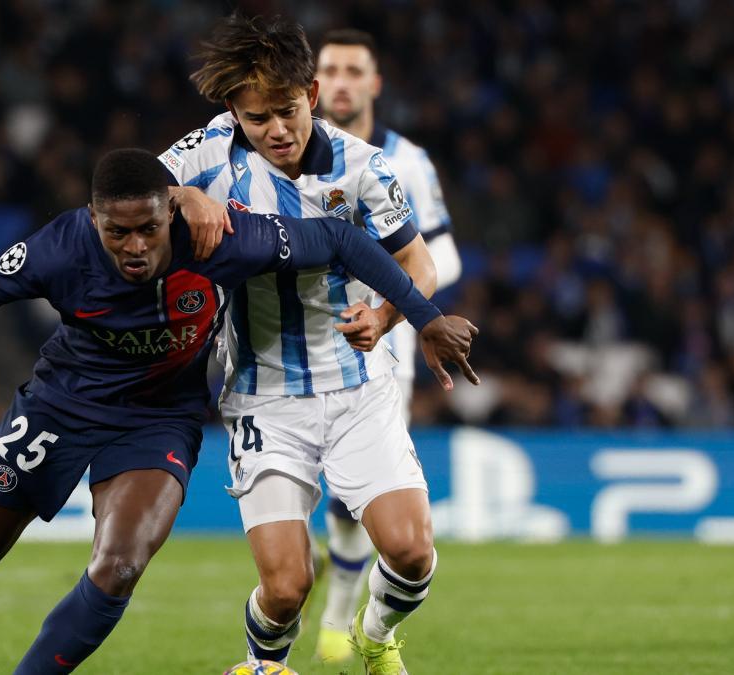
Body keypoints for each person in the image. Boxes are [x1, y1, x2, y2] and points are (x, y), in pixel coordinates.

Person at [0, 149, 478, 675]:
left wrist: (421, 317)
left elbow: (338, 239)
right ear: (93, 220)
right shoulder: (57, 249)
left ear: (172, 213)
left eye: (147, 229)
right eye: (116, 232)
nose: (133, 246)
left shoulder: (223, 238)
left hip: (161, 415)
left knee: (119, 564)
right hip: (62, 403)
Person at [160, 15, 475, 674]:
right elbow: (129, 191)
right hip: (262, 397)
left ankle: (375, 629)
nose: (275, 129)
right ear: (231, 113)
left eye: (286, 111)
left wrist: (387, 316)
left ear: (310, 92)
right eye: (255, 118)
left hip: (358, 382)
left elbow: (420, 263)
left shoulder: (364, 166)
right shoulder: (207, 151)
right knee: (284, 588)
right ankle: (264, 663)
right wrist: (182, 194)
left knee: (412, 552)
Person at [312, 28, 465, 664]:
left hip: (383, 344)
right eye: (331, 70)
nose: (342, 82)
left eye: (355, 71)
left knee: (358, 497)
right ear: (313, 83)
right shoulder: (283, 152)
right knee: (334, 500)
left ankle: (346, 612)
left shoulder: (406, 161)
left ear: (374, 84)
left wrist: (390, 302)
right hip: (297, 346)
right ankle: (328, 590)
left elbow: (444, 255)